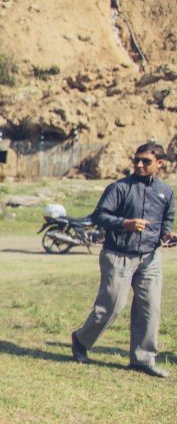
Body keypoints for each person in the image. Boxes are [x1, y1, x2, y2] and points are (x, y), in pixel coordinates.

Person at [71, 142, 176, 378]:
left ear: (160, 163)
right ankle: (81, 340)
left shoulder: (166, 192)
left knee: (150, 308)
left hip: (150, 257)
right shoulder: (119, 188)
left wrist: (168, 234)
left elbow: (165, 222)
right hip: (118, 254)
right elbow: (98, 216)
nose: (139, 164)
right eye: (136, 160)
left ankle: (143, 359)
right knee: (111, 307)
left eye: (145, 161)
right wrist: (125, 224)